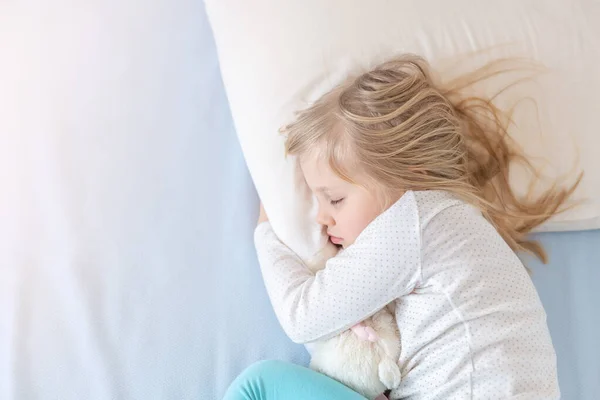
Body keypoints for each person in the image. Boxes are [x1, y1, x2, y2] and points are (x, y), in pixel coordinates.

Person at [223, 54, 580, 400]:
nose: (322, 218)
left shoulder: (413, 223)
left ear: (406, 177)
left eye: (335, 199)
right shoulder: (461, 224)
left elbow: (303, 316)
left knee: (259, 386)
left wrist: (266, 233)